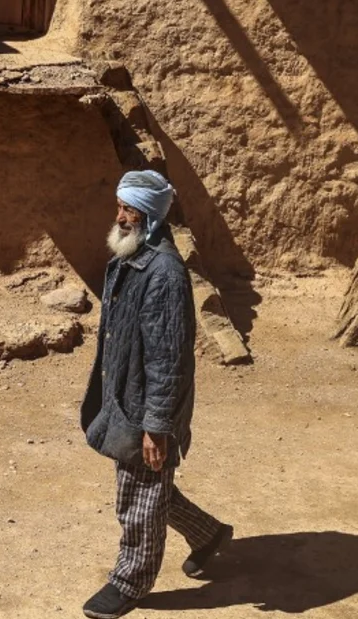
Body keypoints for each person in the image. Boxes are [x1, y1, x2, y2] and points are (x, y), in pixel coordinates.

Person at [79, 170, 233, 619]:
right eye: (120, 206)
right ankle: (207, 533)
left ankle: (130, 581)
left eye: (130, 209)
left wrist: (157, 426)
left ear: (150, 216)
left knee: (138, 495)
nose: (120, 216)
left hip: (147, 405)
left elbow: (168, 359)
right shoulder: (131, 257)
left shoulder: (163, 272)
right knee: (147, 485)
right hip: (126, 395)